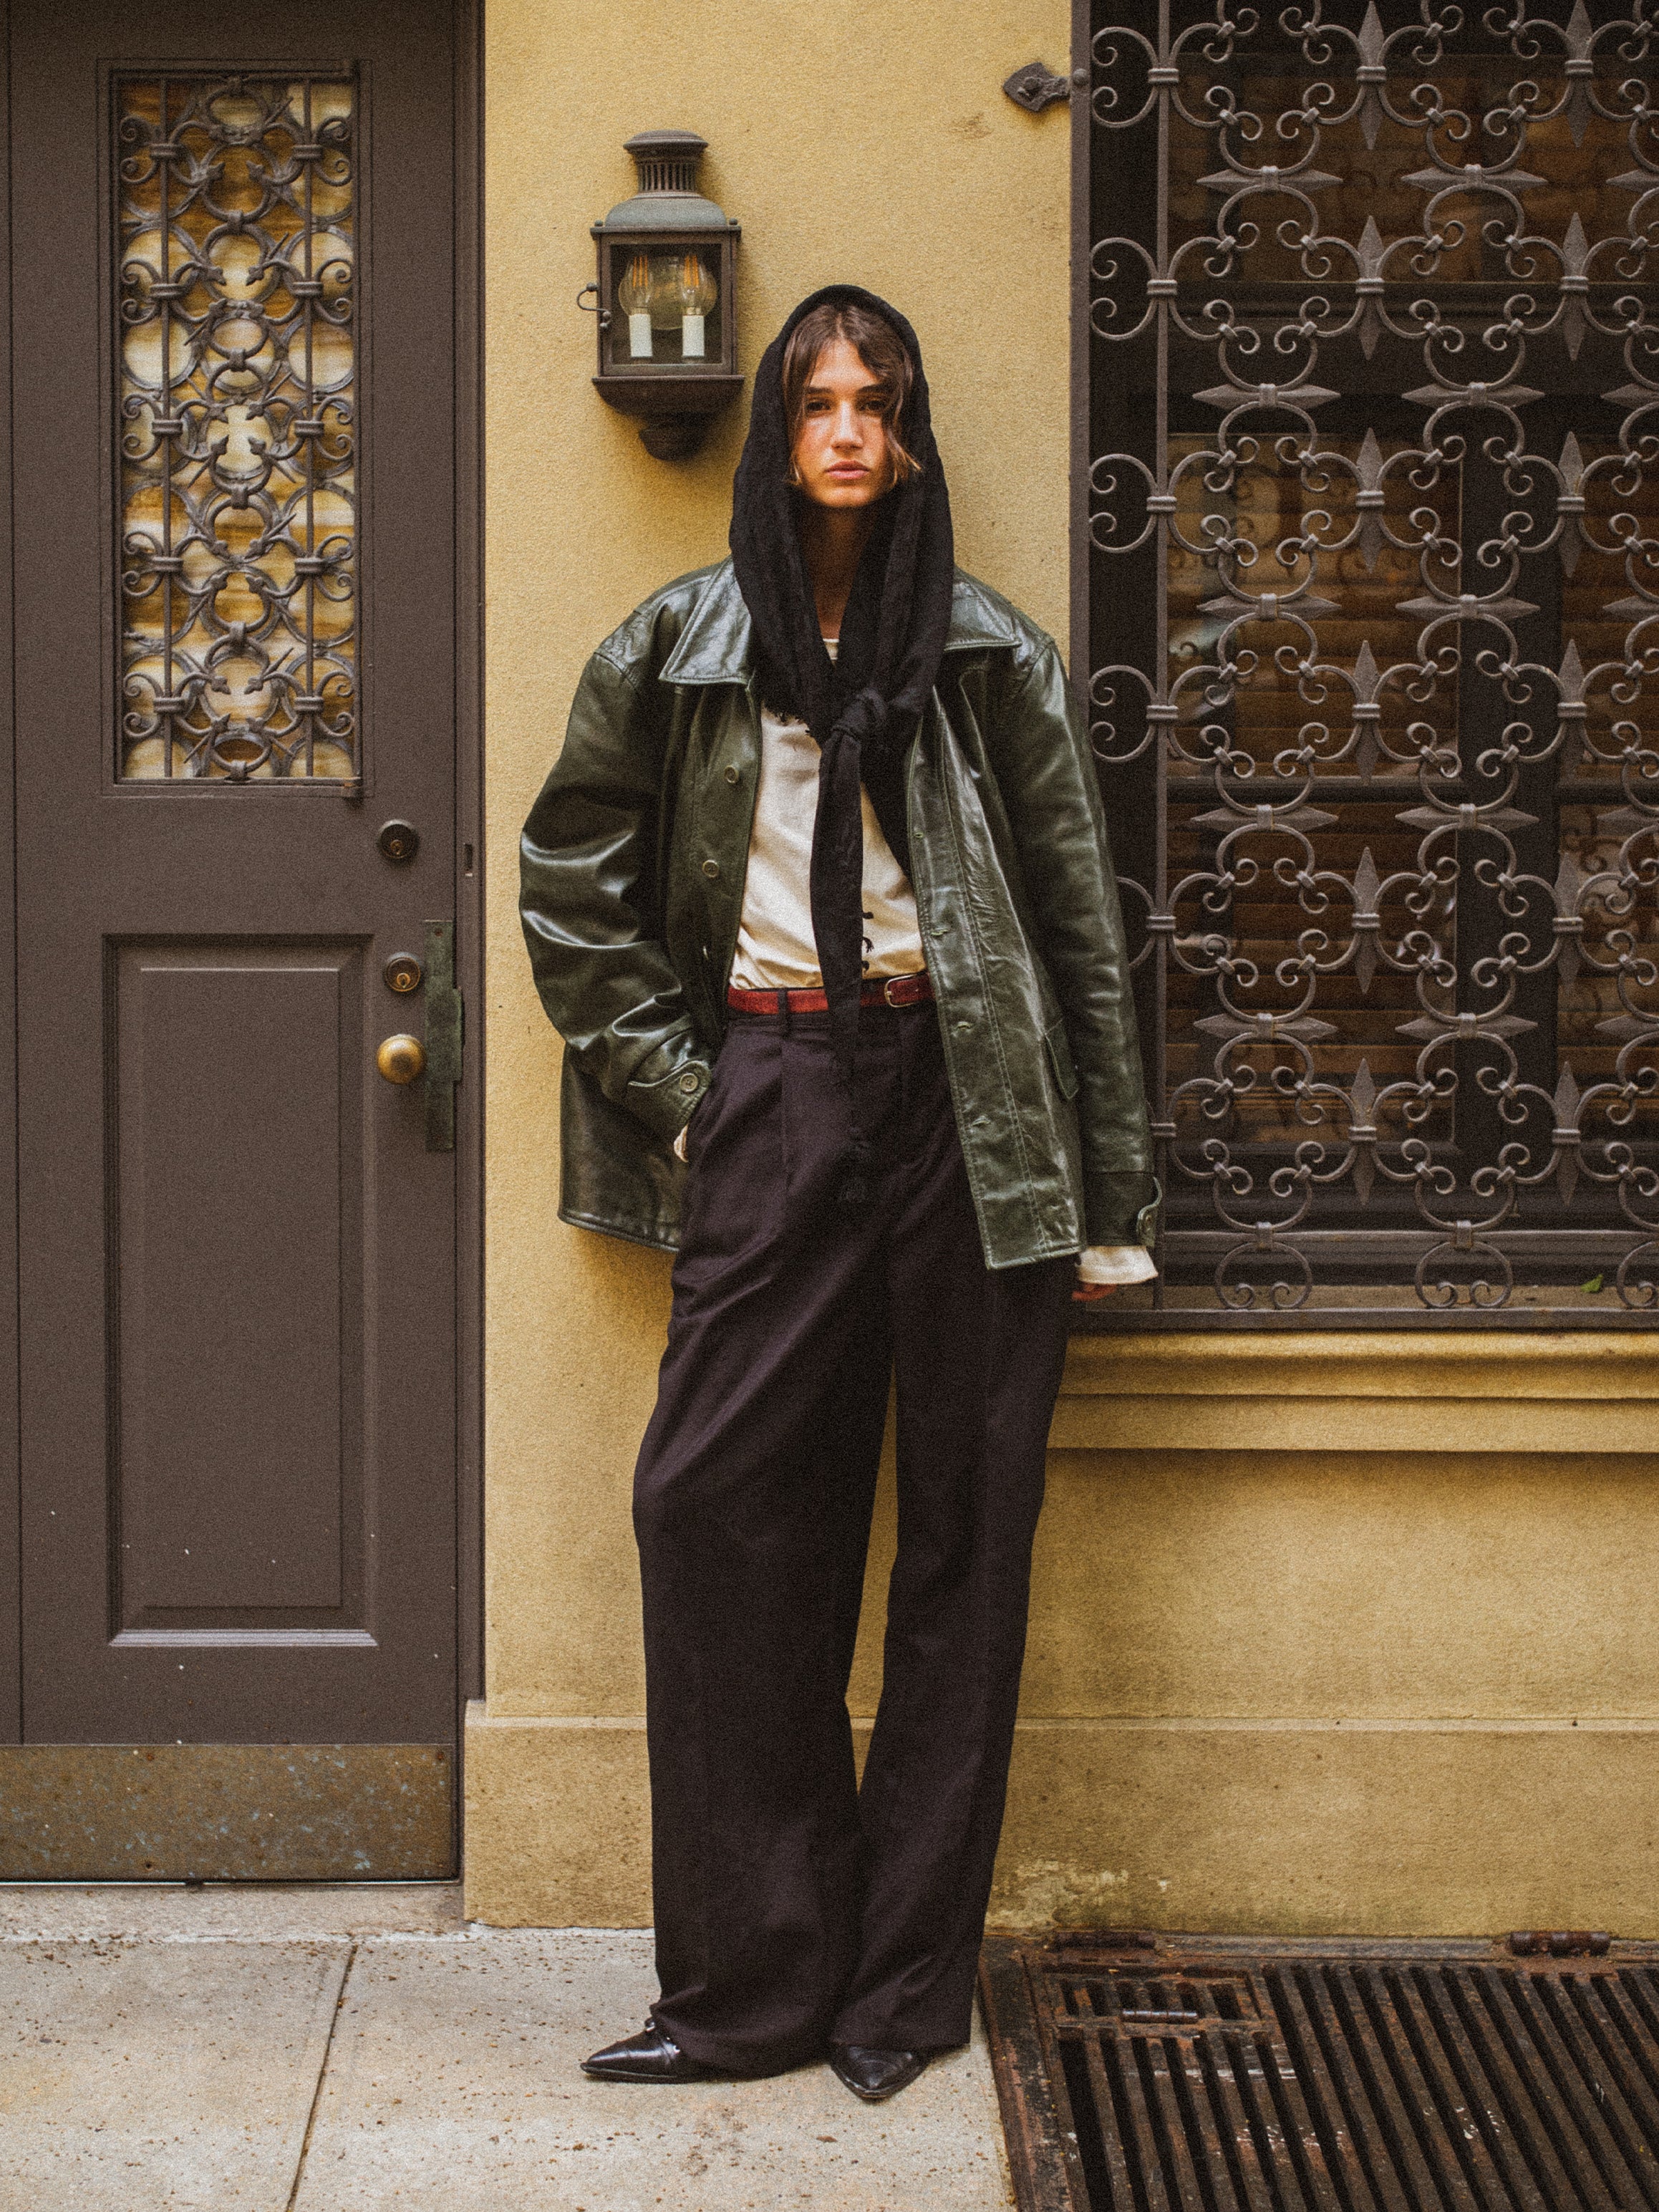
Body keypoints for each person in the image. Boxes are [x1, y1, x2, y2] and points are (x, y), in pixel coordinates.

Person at [519, 285, 1156, 2103]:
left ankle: (898, 1998)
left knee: (965, 1544)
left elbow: (1075, 928)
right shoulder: (675, 646)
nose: (848, 431)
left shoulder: (988, 653)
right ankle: (750, 1991)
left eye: (877, 402)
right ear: (777, 433)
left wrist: (1106, 1194)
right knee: (711, 1516)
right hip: (771, 1086)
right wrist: (690, 1097)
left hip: (968, 1101)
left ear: (913, 430)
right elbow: (570, 886)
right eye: (818, 402)